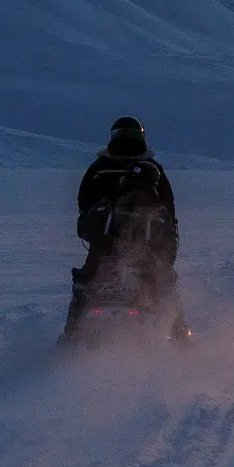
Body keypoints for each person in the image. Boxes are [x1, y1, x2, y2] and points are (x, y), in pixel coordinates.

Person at [63, 116, 182, 341]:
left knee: (84, 284)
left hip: (110, 248)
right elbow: (169, 210)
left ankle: (71, 339)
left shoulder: (99, 168)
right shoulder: (152, 170)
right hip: (138, 249)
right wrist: (168, 251)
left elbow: (83, 203)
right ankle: (179, 342)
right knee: (166, 284)